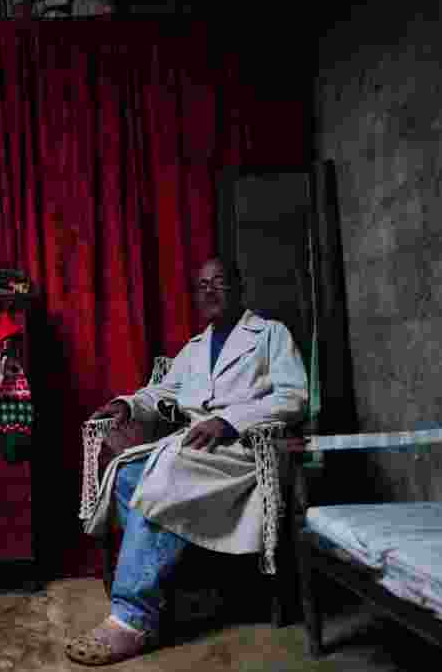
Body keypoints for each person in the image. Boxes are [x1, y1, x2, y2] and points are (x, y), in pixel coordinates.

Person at [64, 256, 308, 666]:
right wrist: (128, 405)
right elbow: (162, 392)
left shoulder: (270, 335)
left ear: (239, 288)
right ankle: (164, 588)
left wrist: (229, 421)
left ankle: (132, 618)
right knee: (127, 475)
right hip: (194, 451)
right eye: (202, 285)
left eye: (219, 282)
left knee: (162, 478)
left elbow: (293, 396)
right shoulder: (194, 348)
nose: (210, 290)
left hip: (242, 453)